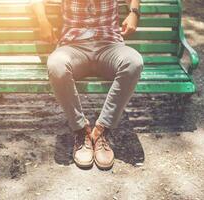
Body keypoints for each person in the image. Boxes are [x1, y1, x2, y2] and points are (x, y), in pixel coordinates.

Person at [31, 0, 143, 169]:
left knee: (133, 62)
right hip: (74, 46)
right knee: (56, 65)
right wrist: (43, 21)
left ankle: (101, 130)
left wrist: (134, 12)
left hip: (109, 45)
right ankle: (81, 131)